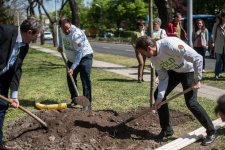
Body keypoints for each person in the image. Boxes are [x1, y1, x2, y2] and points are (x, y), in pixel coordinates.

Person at [135, 36, 217, 146]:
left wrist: (197, 79)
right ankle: (167, 129)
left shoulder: (171, 45)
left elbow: (198, 58)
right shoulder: (154, 58)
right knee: (158, 95)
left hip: (189, 71)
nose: (143, 56)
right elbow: (163, 78)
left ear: (149, 48)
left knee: (191, 103)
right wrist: (159, 99)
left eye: (142, 53)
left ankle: (212, 131)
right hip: (174, 71)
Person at [0, 17, 42, 149]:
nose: (37, 38)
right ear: (29, 32)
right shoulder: (4, 31)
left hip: (3, 79)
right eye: (36, 35)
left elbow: (17, 69)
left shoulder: (24, 46)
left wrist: (14, 95)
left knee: (1, 108)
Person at [57, 16, 93, 110]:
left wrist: (72, 68)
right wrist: (60, 45)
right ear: (60, 27)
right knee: (70, 78)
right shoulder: (61, 30)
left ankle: (86, 104)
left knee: (85, 79)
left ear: (70, 25)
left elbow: (79, 53)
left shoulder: (76, 34)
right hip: (72, 58)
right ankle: (75, 100)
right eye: (64, 29)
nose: (67, 31)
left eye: (68, 28)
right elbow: (61, 36)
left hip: (85, 56)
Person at [212, 12, 225, 79]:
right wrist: (213, 42)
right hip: (218, 45)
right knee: (218, 61)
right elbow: (213, 35)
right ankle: (216, 74)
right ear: (222, 17)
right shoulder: (216, 25)